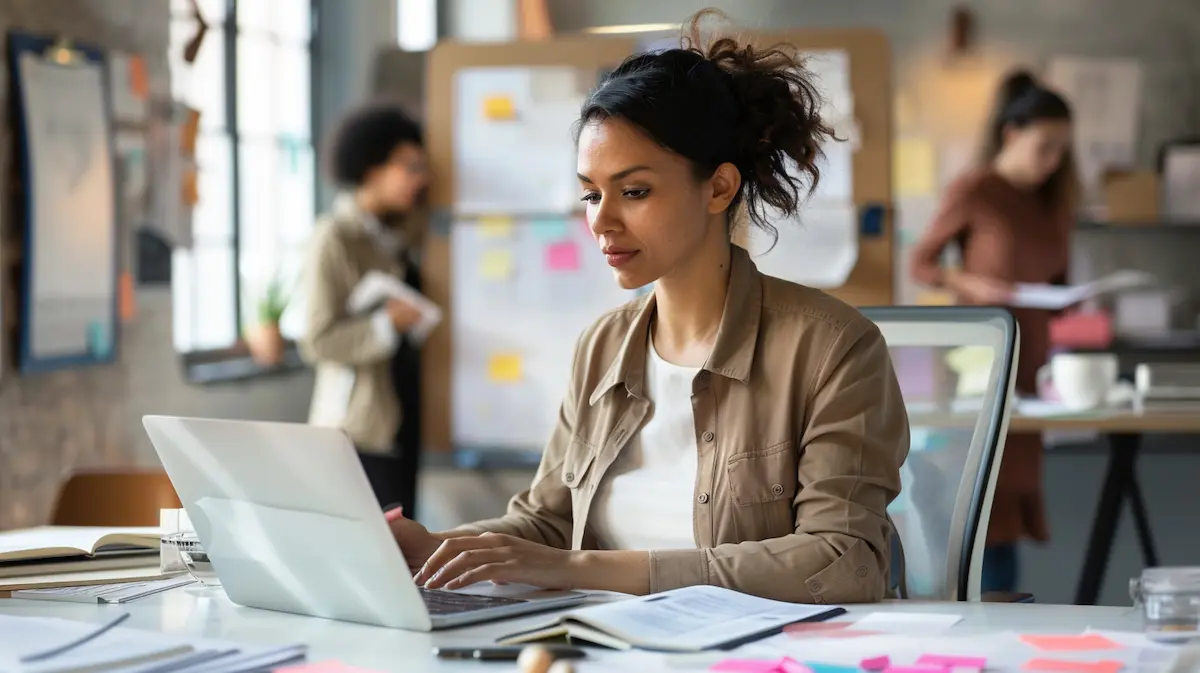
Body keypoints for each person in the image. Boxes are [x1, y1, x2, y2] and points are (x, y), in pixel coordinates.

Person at [388, 9, 910, 604]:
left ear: (718, 188)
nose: (602, 220)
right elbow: (546, 524)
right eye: (590, 193)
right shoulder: (603, 347)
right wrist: (433, 547)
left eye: (633, 191)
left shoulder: (832, 347)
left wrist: (581, 569)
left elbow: (843, 560)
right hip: (602, 643)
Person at [909, 71, 1077, 593]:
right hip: (981, 362)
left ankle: (1000, 619)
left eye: (1061, 152)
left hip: (1034, 365)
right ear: (1011, 134)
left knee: (1009, 509)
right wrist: (970, 282)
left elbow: (1060, 283)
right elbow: (922, 263)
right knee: (978, 502)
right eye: (1044, 147)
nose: (1052, 161)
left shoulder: (1052, 202)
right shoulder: (976, 189)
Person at [299, 102, 431, 517]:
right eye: (409, 167)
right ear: (372, 169)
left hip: (404, 417)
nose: (420, 179)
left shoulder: (401, 232)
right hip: (360, 427)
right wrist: (385, 324)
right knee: (374, 545)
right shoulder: (335, 237)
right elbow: (317, 340)